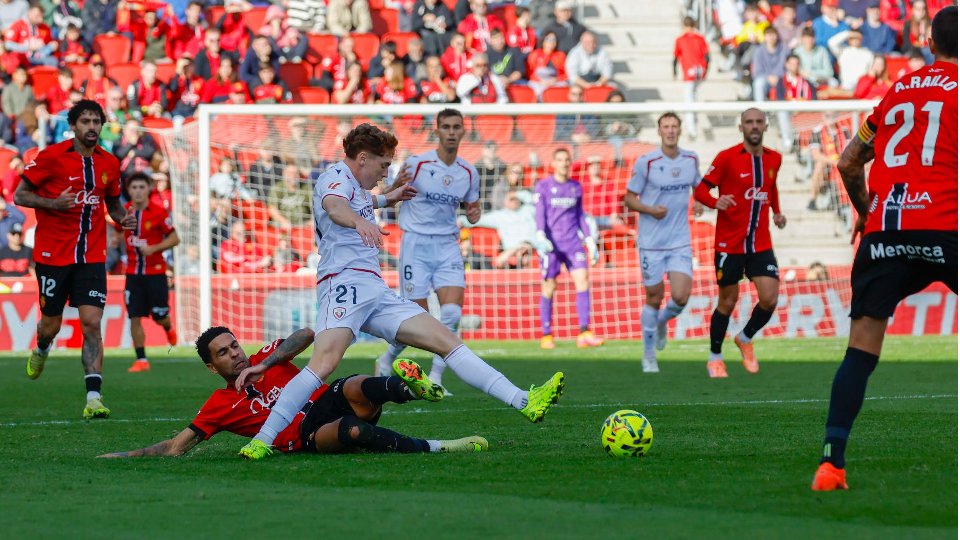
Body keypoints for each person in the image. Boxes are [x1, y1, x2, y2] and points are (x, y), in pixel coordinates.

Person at [235, 123, 565, 460]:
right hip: (343, 284)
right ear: (362, 158)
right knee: (323, 364)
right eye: (383, 165)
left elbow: (360, 200)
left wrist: (386, 197)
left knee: (447, 341)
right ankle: (263, 439)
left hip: (375, 289)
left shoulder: (357, 185)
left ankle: (524, 401)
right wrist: (360, 222)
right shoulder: (333, 178)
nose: (385, 171)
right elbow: (336, 206)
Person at [811, 6, 957, 492]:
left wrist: (866, 211)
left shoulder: (897, 91)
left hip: (887, 232)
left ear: (928, 42)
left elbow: (850, 162)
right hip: (946, 226)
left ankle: (831, 465)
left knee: (860, 351)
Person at [98, 327, 488, 457]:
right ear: (210, 366)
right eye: (223, 353)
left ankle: (414, 388)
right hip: (304, 436)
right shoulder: (218, 405)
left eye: (234, 346)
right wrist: (123, 455)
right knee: (352, 432)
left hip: (323, 398)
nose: (234, 354)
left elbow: (307, 336)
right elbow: (174, 446)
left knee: (354, 384)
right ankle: (438, 446)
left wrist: (265, 364)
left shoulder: (266, 356)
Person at [13, 99, 136, 418]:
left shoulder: (109, 163)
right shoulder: (52, 157)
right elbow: (20, 195)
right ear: (73, 126)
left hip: (92, 256)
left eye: (97, 121)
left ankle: (93, 397)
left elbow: (113, 204)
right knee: (50, 325)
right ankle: (41, 347)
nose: (92, 127)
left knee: (92, 323)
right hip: (53, 255)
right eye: (86, 122)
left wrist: (123, 218)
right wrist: (53, 203)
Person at [374, 109, 482, 391]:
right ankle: (386, 359)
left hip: (447, 245)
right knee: (415, 320)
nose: (450, 132)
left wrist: (474, 214)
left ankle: (436, 378)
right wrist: (393, 186)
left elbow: (472, 212)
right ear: (437, 131)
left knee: (452, 315)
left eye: (456, 127)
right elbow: (389, 194)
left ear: (462, 131)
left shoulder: (469, 172)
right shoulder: (417, 164)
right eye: (445, 126)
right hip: (416, 245)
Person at [693, 108, 786, 378]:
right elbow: (701, 189)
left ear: (766, 126)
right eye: (749, 122)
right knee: (727, 300)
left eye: (758, 122)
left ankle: (745, 337)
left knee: (769, 298)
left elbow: (771, 186)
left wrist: (776, 212)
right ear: (741, 127)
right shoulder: (726, 158)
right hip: (729, 244)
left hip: (760, 243)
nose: (754, 126)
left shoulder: (774, 159)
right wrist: (714, 202)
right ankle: (715, 357)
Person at [624, 112, 702, 373]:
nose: (670, 131)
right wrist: (648, 209)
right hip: (651, 243)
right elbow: (629, 198)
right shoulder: (647, 162)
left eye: (674, 127)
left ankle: (660, 323)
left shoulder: (691, 159)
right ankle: (648, 355)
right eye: (666, 127)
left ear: (680, 130)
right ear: (659, 131)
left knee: (681, 296)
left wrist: (700, 200)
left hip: (679, 240)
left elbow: (698, 186)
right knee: (654, 296)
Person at [535, 147, 604, 350]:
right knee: (549, 286)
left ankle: (584, 332)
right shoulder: (544, 186)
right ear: (553, 163)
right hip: (551, 244)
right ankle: (546, 335)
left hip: (573, 242)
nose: (564, 163)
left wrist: (590, 240)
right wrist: (540, 234)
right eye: (560, 160)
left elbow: (580, 215)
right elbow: (540, 213)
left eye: (567, 160)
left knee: (583, 280)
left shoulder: (575, 187)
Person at [120, 172, 179, 373]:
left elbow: (174, 238)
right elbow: (116, 230)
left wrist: (154, 248)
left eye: (141, 187)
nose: (138, 191)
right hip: (132, 275)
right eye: (134, 187)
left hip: (155, 273)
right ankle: (142, 360)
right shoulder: (124, 212)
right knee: (134, 317)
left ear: (148, 189)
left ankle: (168, 328)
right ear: (129, 190)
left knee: (160, 316)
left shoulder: (158, 212)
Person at [674, 16, 709, 139]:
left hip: (688, 72)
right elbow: (707, 56)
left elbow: (675, 57)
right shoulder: (701, 38)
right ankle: (693, 124)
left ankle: (691, 128)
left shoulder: (680, 39)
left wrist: (674, 73)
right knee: (693, 96)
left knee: (689, 100)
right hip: (699, 71)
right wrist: (706, 71)